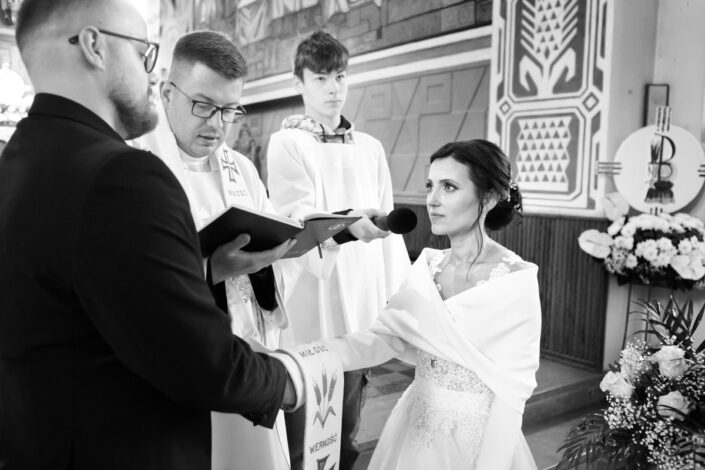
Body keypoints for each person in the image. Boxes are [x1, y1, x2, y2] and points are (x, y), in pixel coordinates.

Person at [0, 1, 302, 469]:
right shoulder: (123, 174)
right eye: (144, 53)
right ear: (94, 45)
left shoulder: (19, 158)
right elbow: (194, 357)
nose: (149, 72)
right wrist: (293, 377)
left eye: (230, 110)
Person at [322, 140, 542, 469]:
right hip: (415, 424)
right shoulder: (427, 267)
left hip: (477, 439)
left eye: (449, 187)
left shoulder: (514, 280)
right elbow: (387, 338)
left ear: (488, 198)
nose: (433, 200)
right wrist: (303, 359)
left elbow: (512, 394)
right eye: (430, 186)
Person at [137, 31, 293, 470]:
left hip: (247, 349)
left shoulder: (240, 167)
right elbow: (129, 280)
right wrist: (211, 269)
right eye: (204, 106)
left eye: (230, 110)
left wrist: (273, 253)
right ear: (168, 92)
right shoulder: (135, 166)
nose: (218, 124)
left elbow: (266, 237)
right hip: (178, 359)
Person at [266, 30, 411, 470]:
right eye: (321, 78)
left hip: (363, 293)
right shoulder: (289, 142)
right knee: (306, 417)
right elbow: (295, 216)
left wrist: (399, 298)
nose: (333, 88)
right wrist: (347, 225)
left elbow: (389, 225)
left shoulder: (371, 148)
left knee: (348, 420)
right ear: (299, 82)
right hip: (313, 294)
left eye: (340, 77)